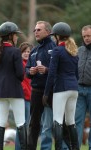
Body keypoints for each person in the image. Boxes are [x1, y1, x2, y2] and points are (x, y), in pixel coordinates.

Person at [0, 21, 27, 150]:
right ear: (10, 35)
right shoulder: (15, 51)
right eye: (15, 35)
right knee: (20, 122)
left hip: (0, 91)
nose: (17, 37)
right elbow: (21, 74)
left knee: (0, 123)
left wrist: (1, 79)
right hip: (15, 90)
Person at [42, 22, 79, 150]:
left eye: (54, 36)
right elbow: (76, 74)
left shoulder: (57, 50)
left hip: (61, 88)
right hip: (74, 89)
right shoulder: (73, 51)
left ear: (58, 36)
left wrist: (46, 93)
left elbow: (51, 73)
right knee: (71, 121)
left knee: (57, 120)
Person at [25, 21, 56, 150]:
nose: (35, 32)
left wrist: (47, 70)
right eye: (35, 30)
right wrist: (30, 72)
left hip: (52, 91)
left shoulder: (55, 48)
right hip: (36, 91)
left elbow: (60, 70)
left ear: (48, 32)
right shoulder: (34, 50)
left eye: (39, 30)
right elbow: (26, 70)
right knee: (33, 123)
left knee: (51, 124)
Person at [75, 25, 91, 149]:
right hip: (79, 90)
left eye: (89, 36)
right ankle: (76, 147)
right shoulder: (78, 50)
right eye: (84, 36)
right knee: (77, 121)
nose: (86, 38)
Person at [15, 42, 33, 150]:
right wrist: (24, 90)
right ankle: (19, 147)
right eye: (25, 51)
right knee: (22, 124)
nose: (27, 54)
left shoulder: (31, 64)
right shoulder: (19, 64)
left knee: (27, 124)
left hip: (31, 97)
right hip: (22, 97)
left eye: (29, 52)